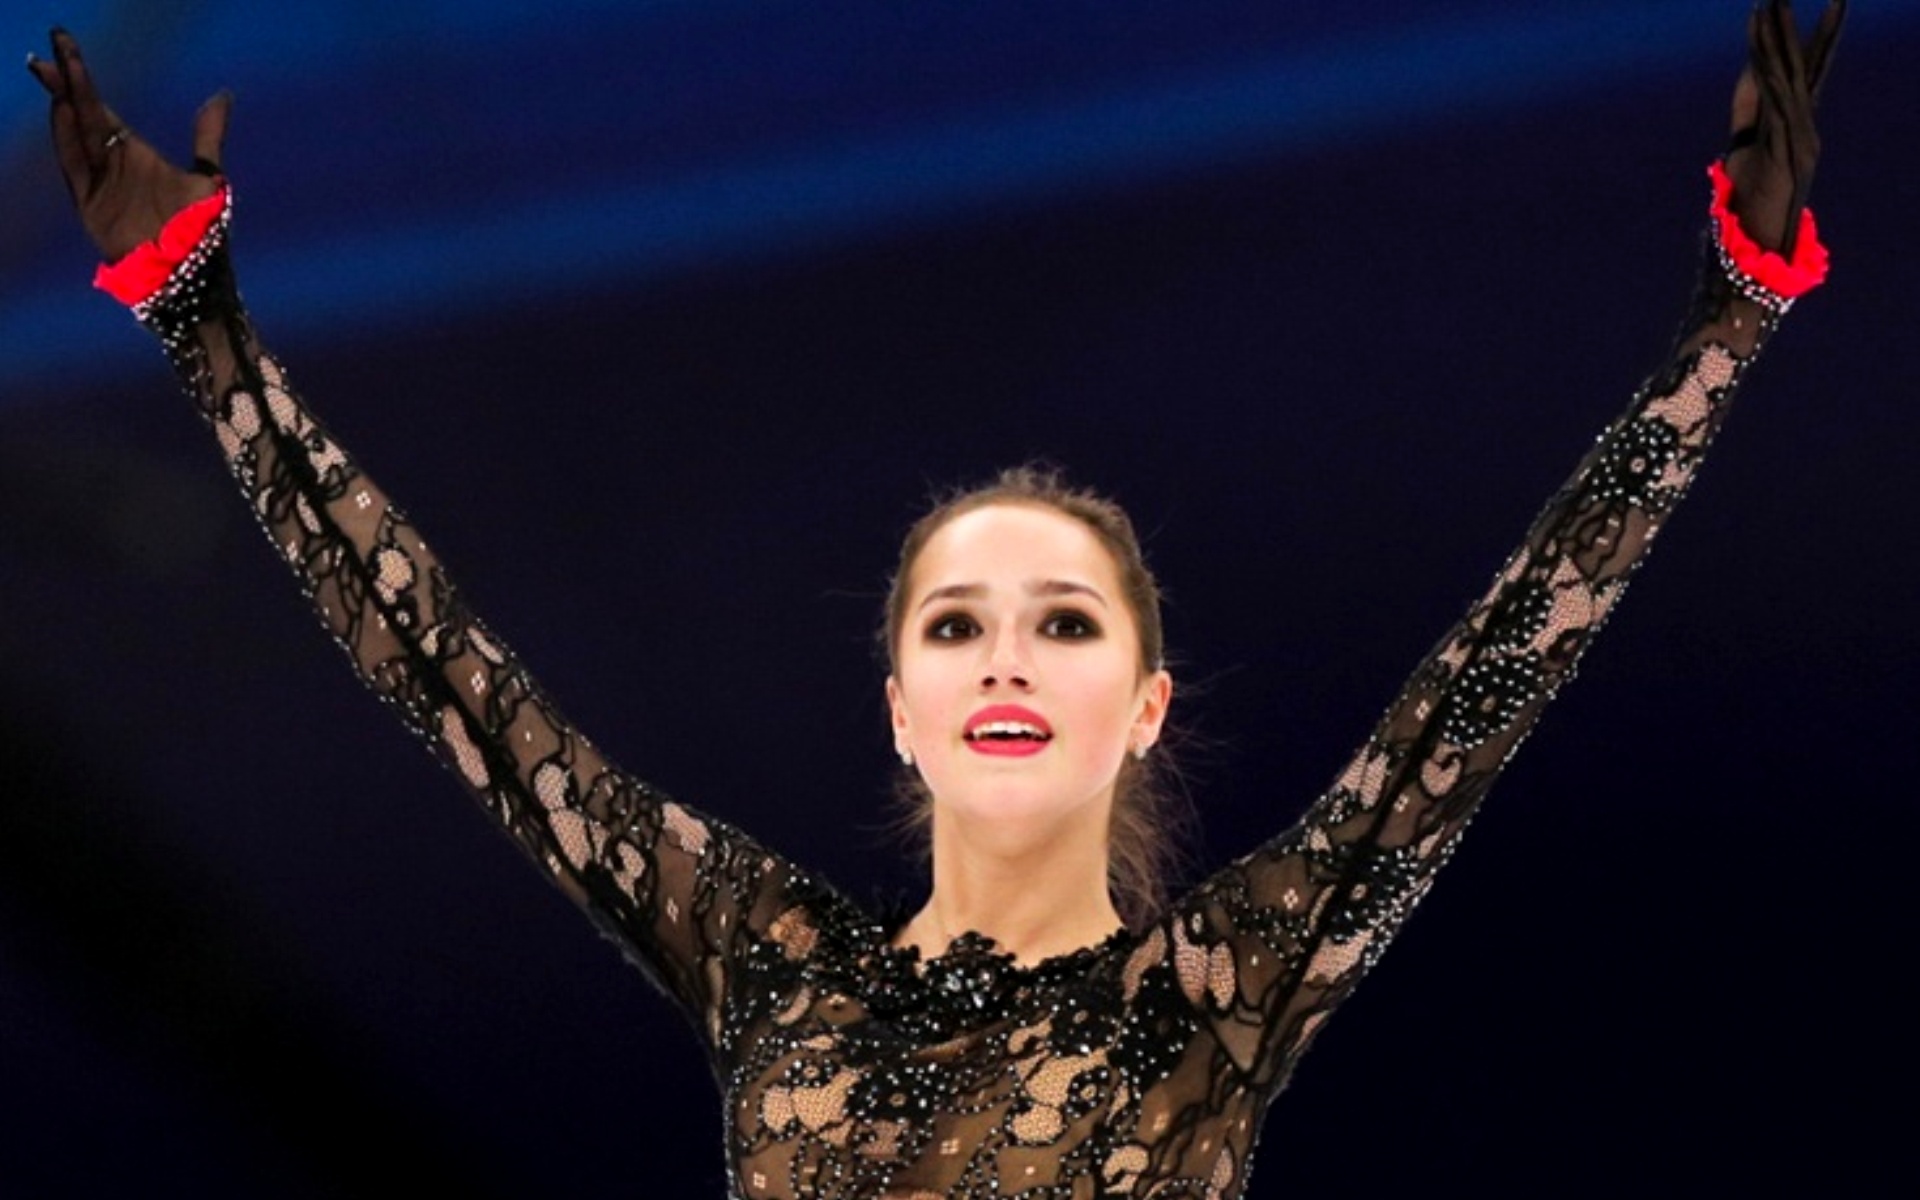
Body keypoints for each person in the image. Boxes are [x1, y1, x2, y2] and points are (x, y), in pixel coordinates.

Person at [28, 4, 1845, 1197]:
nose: (1006, 659)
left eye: (1066, 621)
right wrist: (199, 314)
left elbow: (1499, 667)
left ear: (1144, 705)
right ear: (899, 705)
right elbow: (455, 682)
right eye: (956, 624)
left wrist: (1733, 319)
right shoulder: (766, 962)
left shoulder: (1226, 984)